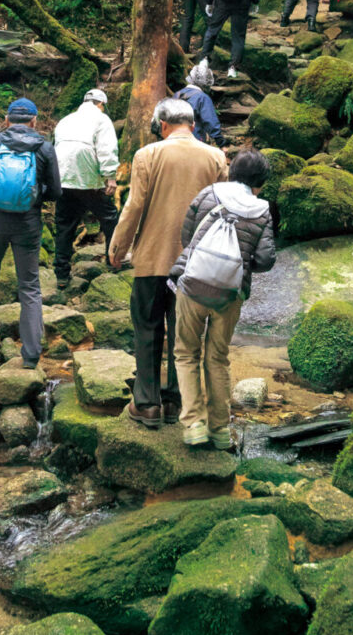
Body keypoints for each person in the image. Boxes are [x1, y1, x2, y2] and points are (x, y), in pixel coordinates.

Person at [108, 98, 227, 428]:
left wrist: (118, 246)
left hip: (152, 258)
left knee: (146, 328)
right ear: (192, 123)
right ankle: (176, 402)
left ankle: (147, 404)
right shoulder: (216, 157)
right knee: (183, 335)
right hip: (195, 263)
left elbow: (134, 207)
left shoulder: (148, 155)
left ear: (162, 125)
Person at [171, 149, 276, 449]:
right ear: (259, 184)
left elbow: (187, 235)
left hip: (193, 285)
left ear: (231, 172)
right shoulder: (262, 210)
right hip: (230, 294)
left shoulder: (208, 194)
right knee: (217, 358)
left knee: (186, 353)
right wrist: (239, 265)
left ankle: (193, 424)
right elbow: (266, 259)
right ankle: (219, 431)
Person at [0, 97, 61, 369]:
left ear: (6, 120)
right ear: (34, 122)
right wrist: (34, 192)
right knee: (30, 287)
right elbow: (55, 192)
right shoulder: (44, 148)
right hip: (28, 223)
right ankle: (31, 356)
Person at [52, 88, 120, 289]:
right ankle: (113, 260)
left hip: (63, 178)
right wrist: (110, 177)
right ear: (101, 104)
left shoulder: (66, 120)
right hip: (89, 179)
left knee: (64, 225)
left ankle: (61, 274)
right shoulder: (101, 120)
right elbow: (107, 148)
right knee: (110, 218)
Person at [175, 60, 226, 147]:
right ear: (206, 83)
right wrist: (221, 142)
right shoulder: (202, 98)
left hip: (173, 139)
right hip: (194, 141)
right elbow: (210, 121)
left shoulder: (177, 94)